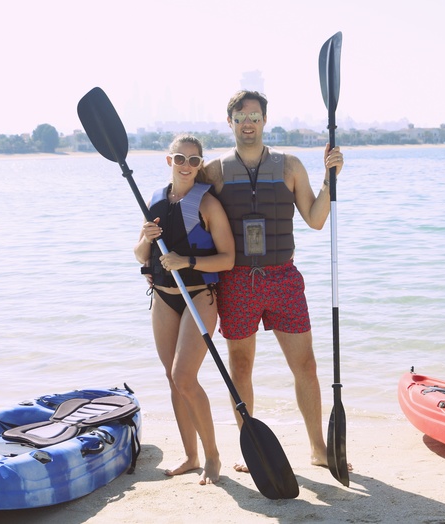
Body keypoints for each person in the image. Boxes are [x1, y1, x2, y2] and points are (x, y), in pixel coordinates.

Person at [200, 90, 346, 472]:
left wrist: (331, 180)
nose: (247, 123)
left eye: (254, 116)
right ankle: (253, 448)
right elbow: (188, 212)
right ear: (229, 121)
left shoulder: (290, 166)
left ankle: (318, 448)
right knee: (241, 367)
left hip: (283, 278)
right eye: (240, 117)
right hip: (236, 281)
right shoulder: (214, 171)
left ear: (265, 120)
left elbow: (315, 219)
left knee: (307, 366)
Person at [134, 134, 235, 485]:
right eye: (180, 158)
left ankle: (213, 457)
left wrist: (187, 260)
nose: (187, 166)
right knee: (172, 379)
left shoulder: (207, 205)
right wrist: (145, 238)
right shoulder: (155, 201)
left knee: (184, 378)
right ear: (169, 161)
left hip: (198, 296)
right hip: (163, 297)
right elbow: (140, 255)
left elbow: (228, 258)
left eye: (194, 161)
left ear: (200, 164)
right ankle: (191, 456)